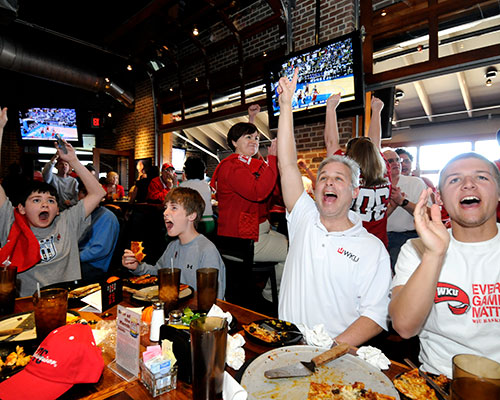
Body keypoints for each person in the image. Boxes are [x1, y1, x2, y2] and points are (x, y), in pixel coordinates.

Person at [276, 69, 391, 346]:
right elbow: (287, 164)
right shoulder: (303, 216)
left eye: (338, 179)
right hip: (284, 344)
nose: (329, 183)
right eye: (323, 178)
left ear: (353, 192)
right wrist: (287, 106)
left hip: (335, 357)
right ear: (315, 188)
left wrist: (329, 351)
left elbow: (376, 316)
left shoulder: (371, 248)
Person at [389, 152, 500, 377]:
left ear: (498, 192)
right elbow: (404, 326)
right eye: (455, 180)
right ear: (439, 198)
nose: (468, 185)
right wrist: (434, 253)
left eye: (481, 177)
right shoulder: (415, 249)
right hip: (438, 381)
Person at [0, 106, 106, 297]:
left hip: (67, 301)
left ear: (58, 209)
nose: (45, 204)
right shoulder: (11, 224)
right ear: (21, 208)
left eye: (50, 200)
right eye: (36, 200)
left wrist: (73, 160)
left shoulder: (67, 221)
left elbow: (97, 193)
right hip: (26, 306)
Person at [210, 112, 288, 304]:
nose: (254, 141)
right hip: (245, 240)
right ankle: (271, 296)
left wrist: (251, 120)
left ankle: (272, 291)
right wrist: (273, 157)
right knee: (295, 250)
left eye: (256, 138)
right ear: (234, 142)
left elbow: (264, 176)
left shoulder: (242, 163)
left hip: (253, 233)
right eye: (248, 137)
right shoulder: (232, 167)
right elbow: (259, 192)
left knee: (290, 240)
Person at [122, 187, 226, 299]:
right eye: (166, 208)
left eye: (174, 208)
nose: (165, 213)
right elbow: (159, 272)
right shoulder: (173, 246)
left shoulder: (206, 250)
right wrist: (137, 267)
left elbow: (216, 298)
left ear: (191, 215)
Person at [325, 95, 392, 248]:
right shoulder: (385, 170)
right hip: (378, 244)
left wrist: (330, 109)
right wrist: (376, 111)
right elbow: (376, 143)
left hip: (350, 243)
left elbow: (331, 142)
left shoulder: (345, 171)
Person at [383, 148, 429, 268]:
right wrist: (392, 206)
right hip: (382, 236)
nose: (396, 163)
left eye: (397, 160)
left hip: (408, 236)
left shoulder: (415, 183)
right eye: (390, 161)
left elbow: (427, 214)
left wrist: (402, 202)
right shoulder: (376, 187)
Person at [77, 178, 120, 282]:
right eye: (84, 192)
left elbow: (99, 250)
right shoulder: (81, 214)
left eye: (91, 194)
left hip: (94, 266)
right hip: (79, 262)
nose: (88, 197)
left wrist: (71, 258)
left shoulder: (106, 217)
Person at [180, 156, 215, 235]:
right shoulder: (206, 186)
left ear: (187, 172)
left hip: (196, 224)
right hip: (210, 222)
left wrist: (175, 184)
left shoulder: (183, 186)